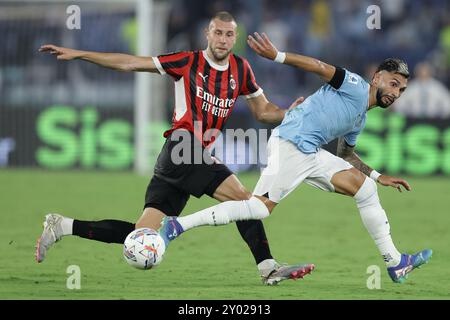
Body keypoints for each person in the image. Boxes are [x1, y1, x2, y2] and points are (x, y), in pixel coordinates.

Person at [35, 12, 314, 285]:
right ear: (207, 33)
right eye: (218, 32)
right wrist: (80, 53)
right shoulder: (187, 61)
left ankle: (62, 225)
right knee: (244, 201)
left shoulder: (241, 69)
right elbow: (131, 63)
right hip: (182, 147)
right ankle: (268, 267)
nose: (223, 39)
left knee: (141, 233)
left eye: (229, 34)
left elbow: (264, 112)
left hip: (180, 159)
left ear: (235, 38)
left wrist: (288, 114)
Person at [158, 32, 432, 284]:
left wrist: (377, 175)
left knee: (366, 189)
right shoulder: (356, 86)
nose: (395, 93)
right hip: (291, 144)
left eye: (401, 90)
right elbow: (318, 66)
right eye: (393, 84)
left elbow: (345, 153)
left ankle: (395, 262)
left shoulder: (360, 116)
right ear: (377, 78)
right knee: (259, 208)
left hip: (310, 153)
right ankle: (178, 225)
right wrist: (277, 56)